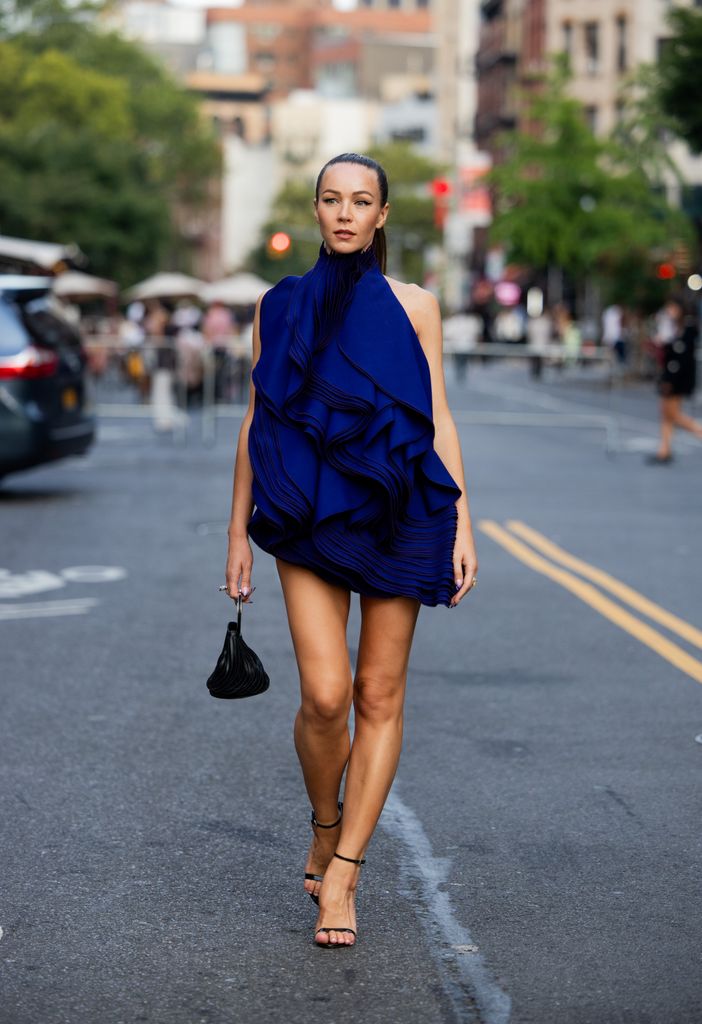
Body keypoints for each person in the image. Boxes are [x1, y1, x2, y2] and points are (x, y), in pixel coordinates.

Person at [223, 153, 478, 949]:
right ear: (315, 210)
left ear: (381, 216)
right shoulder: (279, 304)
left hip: (403, 510)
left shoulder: (418, 307)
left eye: (360, 201)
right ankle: (324, 821)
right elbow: (258, 419)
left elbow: (435, 413)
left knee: (377, 693)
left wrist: (463, 520)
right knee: (325, 695)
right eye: (331, 199)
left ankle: (345, 874)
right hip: (306, 510)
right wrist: (237, 530)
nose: (344, 213)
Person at [646, 296, 702, 464]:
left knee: (672, 413)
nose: (669, 311)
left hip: (678, 378)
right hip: (670, 375)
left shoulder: (688, 329)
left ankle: (698, 431)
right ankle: (664, 449)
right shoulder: (670, 327)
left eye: (672, 308)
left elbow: (681, 357)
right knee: (666, 414)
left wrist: (669, 378)